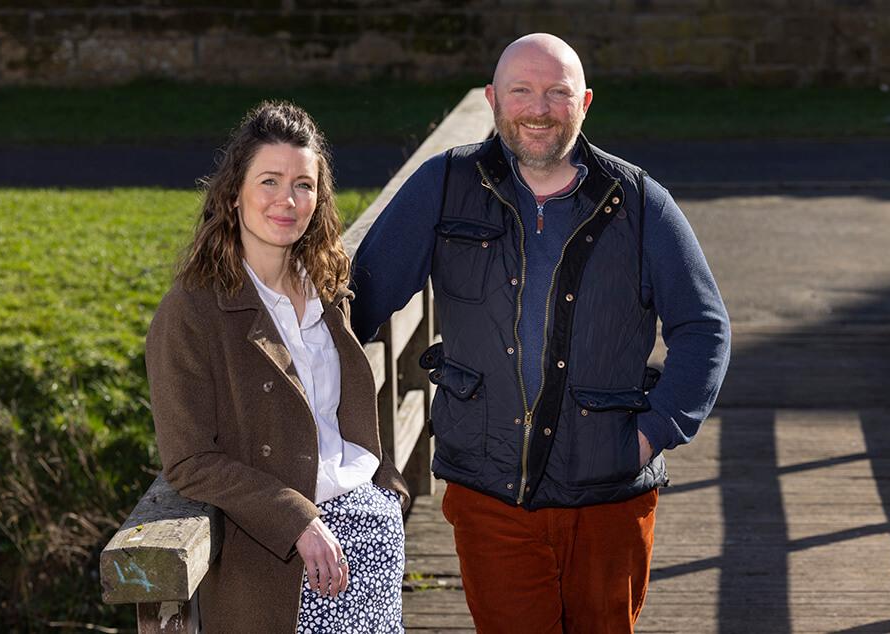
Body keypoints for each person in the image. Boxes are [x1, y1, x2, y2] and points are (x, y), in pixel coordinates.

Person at [350, 34, 730, 632]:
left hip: (609, 497)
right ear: (492, 99)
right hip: (489, 492)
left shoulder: (638, 201)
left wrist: (652, 434)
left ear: (585, 102)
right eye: (521, 90)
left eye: (557, 92)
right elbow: (354, 305)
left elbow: (704, 327)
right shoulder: (443, 186)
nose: (538, 108)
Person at [145, 100, 410, 633]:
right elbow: (189, 460)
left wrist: (387, 488)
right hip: (283, 562)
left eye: (304, 185)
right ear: (233, 193)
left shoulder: (328, 287)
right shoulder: (193, 310)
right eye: (269, 181)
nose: (287, 200)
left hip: (373, 539)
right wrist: (296, 519)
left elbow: (339, 415)